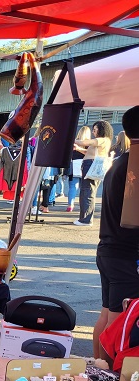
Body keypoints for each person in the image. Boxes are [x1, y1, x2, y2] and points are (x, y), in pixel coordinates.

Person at [93, 107, 139, 360]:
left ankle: (99, 369)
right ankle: (108, 374)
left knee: (107, 315)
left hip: (110, 249)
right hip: (125, 254)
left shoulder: (122, 162)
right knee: (118, 322)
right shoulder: (134, 166)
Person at [74, 119, 113, 226]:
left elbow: (84, 142)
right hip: (90, 165)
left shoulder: (102, 140)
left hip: (91, 166)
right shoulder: (102, 141)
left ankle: (86, 219)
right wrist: (78, 148)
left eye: (95, 129)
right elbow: (88, 152)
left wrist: (73, 140)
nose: (93, 132)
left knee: (88, 192)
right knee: (87, 191)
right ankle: (84, 218)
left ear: (101, 130)